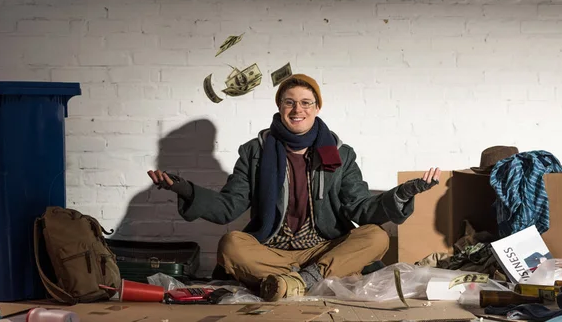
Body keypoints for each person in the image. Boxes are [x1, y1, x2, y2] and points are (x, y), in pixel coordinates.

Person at [148, 74, 441, 301]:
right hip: (271, 252)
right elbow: (230, 207)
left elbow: (361, 209)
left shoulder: (339, 153)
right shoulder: (255, 152)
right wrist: (185, 189)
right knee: (231, 244)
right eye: (289, 102)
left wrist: (402, 193)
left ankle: (297, 281)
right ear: (279, 107)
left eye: (305, 102)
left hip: (323, 249)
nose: (297, 109)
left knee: (376, 237)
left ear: (317, 108)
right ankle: (309, 280)